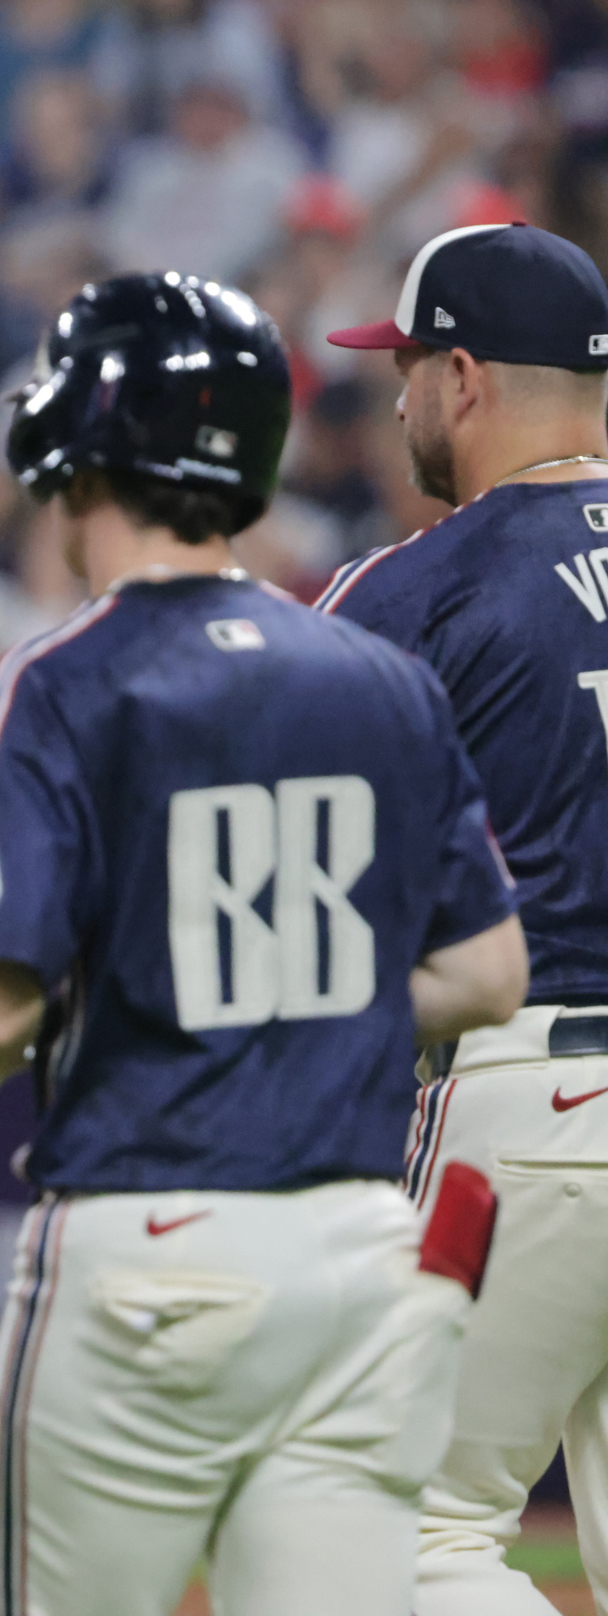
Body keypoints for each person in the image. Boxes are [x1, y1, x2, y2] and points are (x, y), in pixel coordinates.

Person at [0, 269, 529, 1616]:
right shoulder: (375, 673)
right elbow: (490, 973)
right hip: (363, 1251)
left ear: (81, 440)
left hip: (150, 1243)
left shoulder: (59, 675)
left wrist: (122, 948)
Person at [315, 221, 608, 1615]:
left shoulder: (419, 586)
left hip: (531, 1096)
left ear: (469, 377)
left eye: (414, 366)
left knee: (394, 1533)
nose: (402, 397)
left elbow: (282, 828)